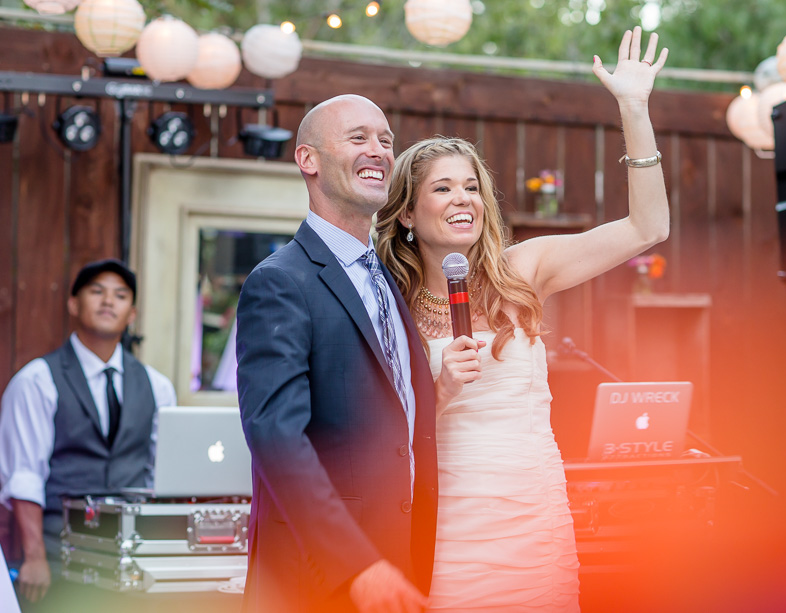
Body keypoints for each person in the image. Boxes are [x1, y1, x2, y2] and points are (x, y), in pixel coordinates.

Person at [376, 27, 670, 611]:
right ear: (408, 211)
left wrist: (634, 110)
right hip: (446, 527)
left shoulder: (523, 269)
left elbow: (648, 228)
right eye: (442, 188)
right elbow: (376, 433)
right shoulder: (387, 303)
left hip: (533, 518)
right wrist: (439, 386)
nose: (464, 199)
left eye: (472, 187)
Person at [235, 94, 438, 612]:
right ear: (309, 160)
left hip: (404, 565)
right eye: (359, 138)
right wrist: (356, 565)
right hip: (318, 577)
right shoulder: (280, 282)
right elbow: (276, 436)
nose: (380, 150)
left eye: (387, 140)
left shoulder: (391, 281)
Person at [0, 258, 177, 608]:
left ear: (132, 313)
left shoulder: (158, 386)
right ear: (73, 304)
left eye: (120, 295)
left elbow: (161, 476)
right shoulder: (37, 380)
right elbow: (24, 475)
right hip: (59, 556)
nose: (108, 301)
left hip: (135, 562)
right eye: (97, 292)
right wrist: (34, 557)